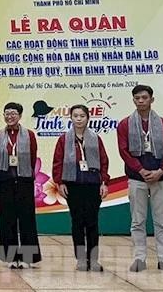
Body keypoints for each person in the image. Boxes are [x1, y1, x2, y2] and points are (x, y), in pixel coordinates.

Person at [117, 84, 163, 273]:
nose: (141, 101)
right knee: (137, 221)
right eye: (137, 98)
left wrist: (161, 171)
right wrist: (141, 170)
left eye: (144, 97)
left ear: (151, 100)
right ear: (133, 100)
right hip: (137, 178)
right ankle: (139, 259)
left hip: (160, 178)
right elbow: (124, 151)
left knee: (162, 222)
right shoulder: (125, 124)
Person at [52, 104, 109, 272]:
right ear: (71, 118)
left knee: (92, 222)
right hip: (73, 185)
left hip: (93, 185)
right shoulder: (64, 139)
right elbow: (57, 162)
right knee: (77, 222)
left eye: (82, 116)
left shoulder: (95, 138)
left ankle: (94, 258)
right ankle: (81, 259)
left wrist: (104, 182)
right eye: (75, 115)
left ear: (88, 118)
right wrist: (60, 182)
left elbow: (104, 162)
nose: (78, 119)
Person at [0, 102, 42, 269]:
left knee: (27, 219)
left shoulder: (29, 135)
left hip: (24, 181)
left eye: (13, 113)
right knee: (7, 219)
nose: (10, 116)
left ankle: (28, 257)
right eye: (7, 113)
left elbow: (32, 157)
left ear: (20, 116)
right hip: (5, 181)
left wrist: (25, 175)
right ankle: (11, 257)